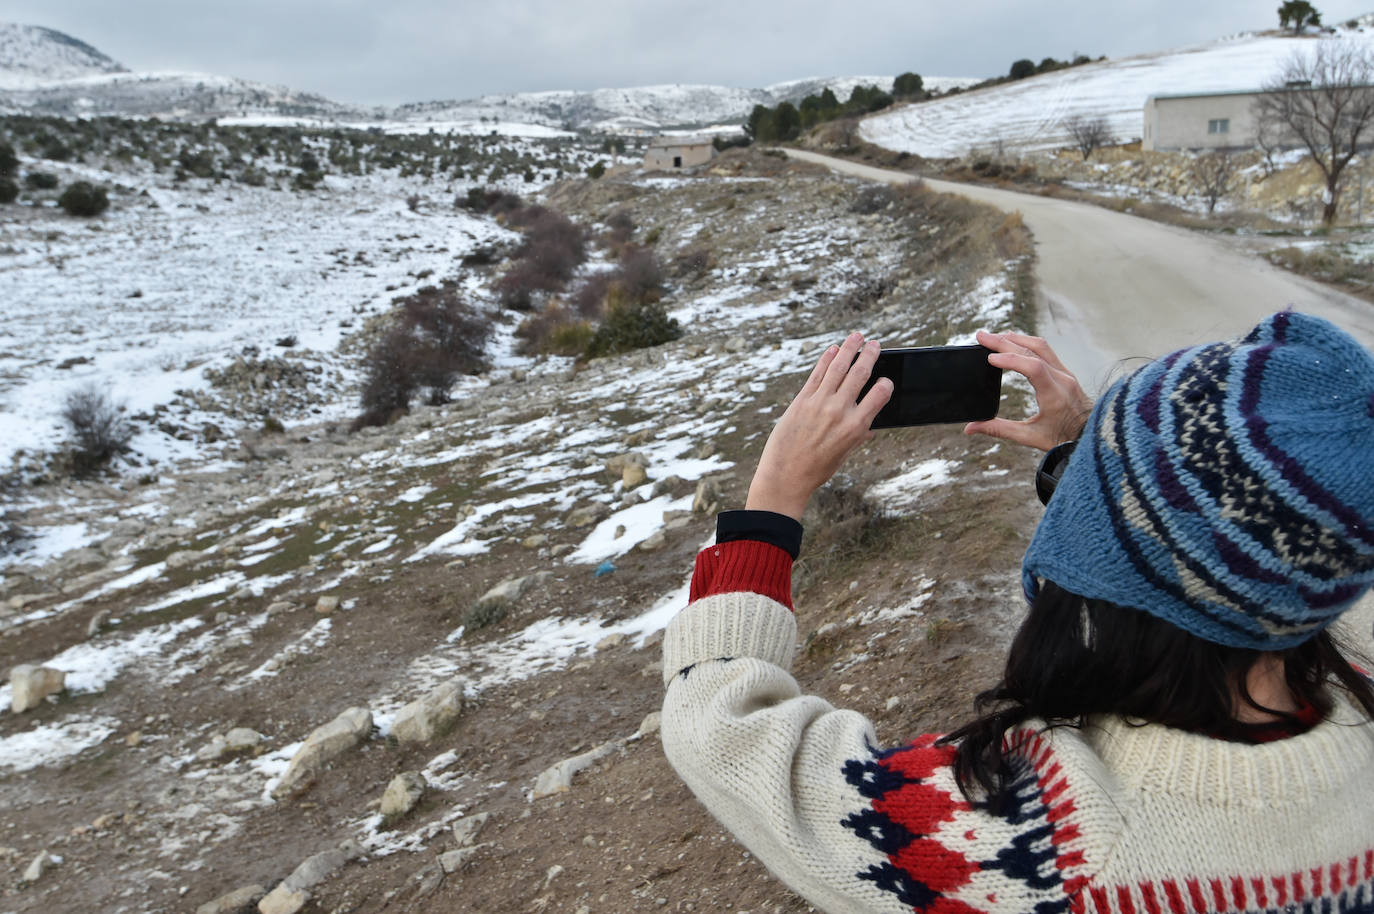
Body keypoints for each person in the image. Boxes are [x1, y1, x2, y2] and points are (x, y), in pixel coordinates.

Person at [660, 312, 1374, 914]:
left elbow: (725, 735)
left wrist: (772, 502)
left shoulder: (1048, 844)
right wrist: (1090, 453)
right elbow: (1225, 558)